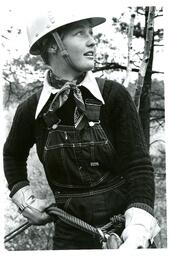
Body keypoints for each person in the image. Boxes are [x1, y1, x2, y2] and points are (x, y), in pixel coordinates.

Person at [3, 6, 160, 250]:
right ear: (53, 45)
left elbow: (138, 165)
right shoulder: (31, 110)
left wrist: (139, 228)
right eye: (80, 33)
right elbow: (12, 155)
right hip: (69, 239)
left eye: (91, 32)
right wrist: (25, 201)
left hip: (125, 233)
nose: (92, 41)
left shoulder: (113, 96)